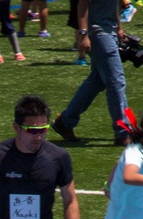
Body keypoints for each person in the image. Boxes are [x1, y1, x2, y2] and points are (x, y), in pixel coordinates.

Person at [50, 0, 130, 146]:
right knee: (116, 82)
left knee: (96, 81)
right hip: (98, 34)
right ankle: (123, 132)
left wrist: (119, 28)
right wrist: (84, 34)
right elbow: (82, 5)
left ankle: (65, 121)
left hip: (109, 31)